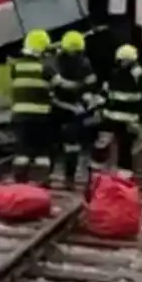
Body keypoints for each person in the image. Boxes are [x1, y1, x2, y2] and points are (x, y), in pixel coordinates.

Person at [49, 30, 98, 188]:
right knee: (70, 145)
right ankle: (67, 178)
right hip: (70, 108)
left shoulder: (56, 62)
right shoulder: (83, 63)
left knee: (58, 144)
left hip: (59, 107)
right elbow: (90, 84)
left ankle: (51, 178)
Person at [8, 29, 57, 183]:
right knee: (42, 152)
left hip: (19, 117)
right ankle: (41, 182)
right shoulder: (45, 69)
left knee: (22, 151)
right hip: (41, 117)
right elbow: (59, 86)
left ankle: (20, 182)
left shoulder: (16, 67)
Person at [100, 44, 142, 175]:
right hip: (125, 120)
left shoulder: (118, 74)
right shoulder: (139, 75)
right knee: (123, 150)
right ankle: (123, 177)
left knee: (118, 149)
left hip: (118, 120)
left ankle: (117, 175)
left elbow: (107, 95)